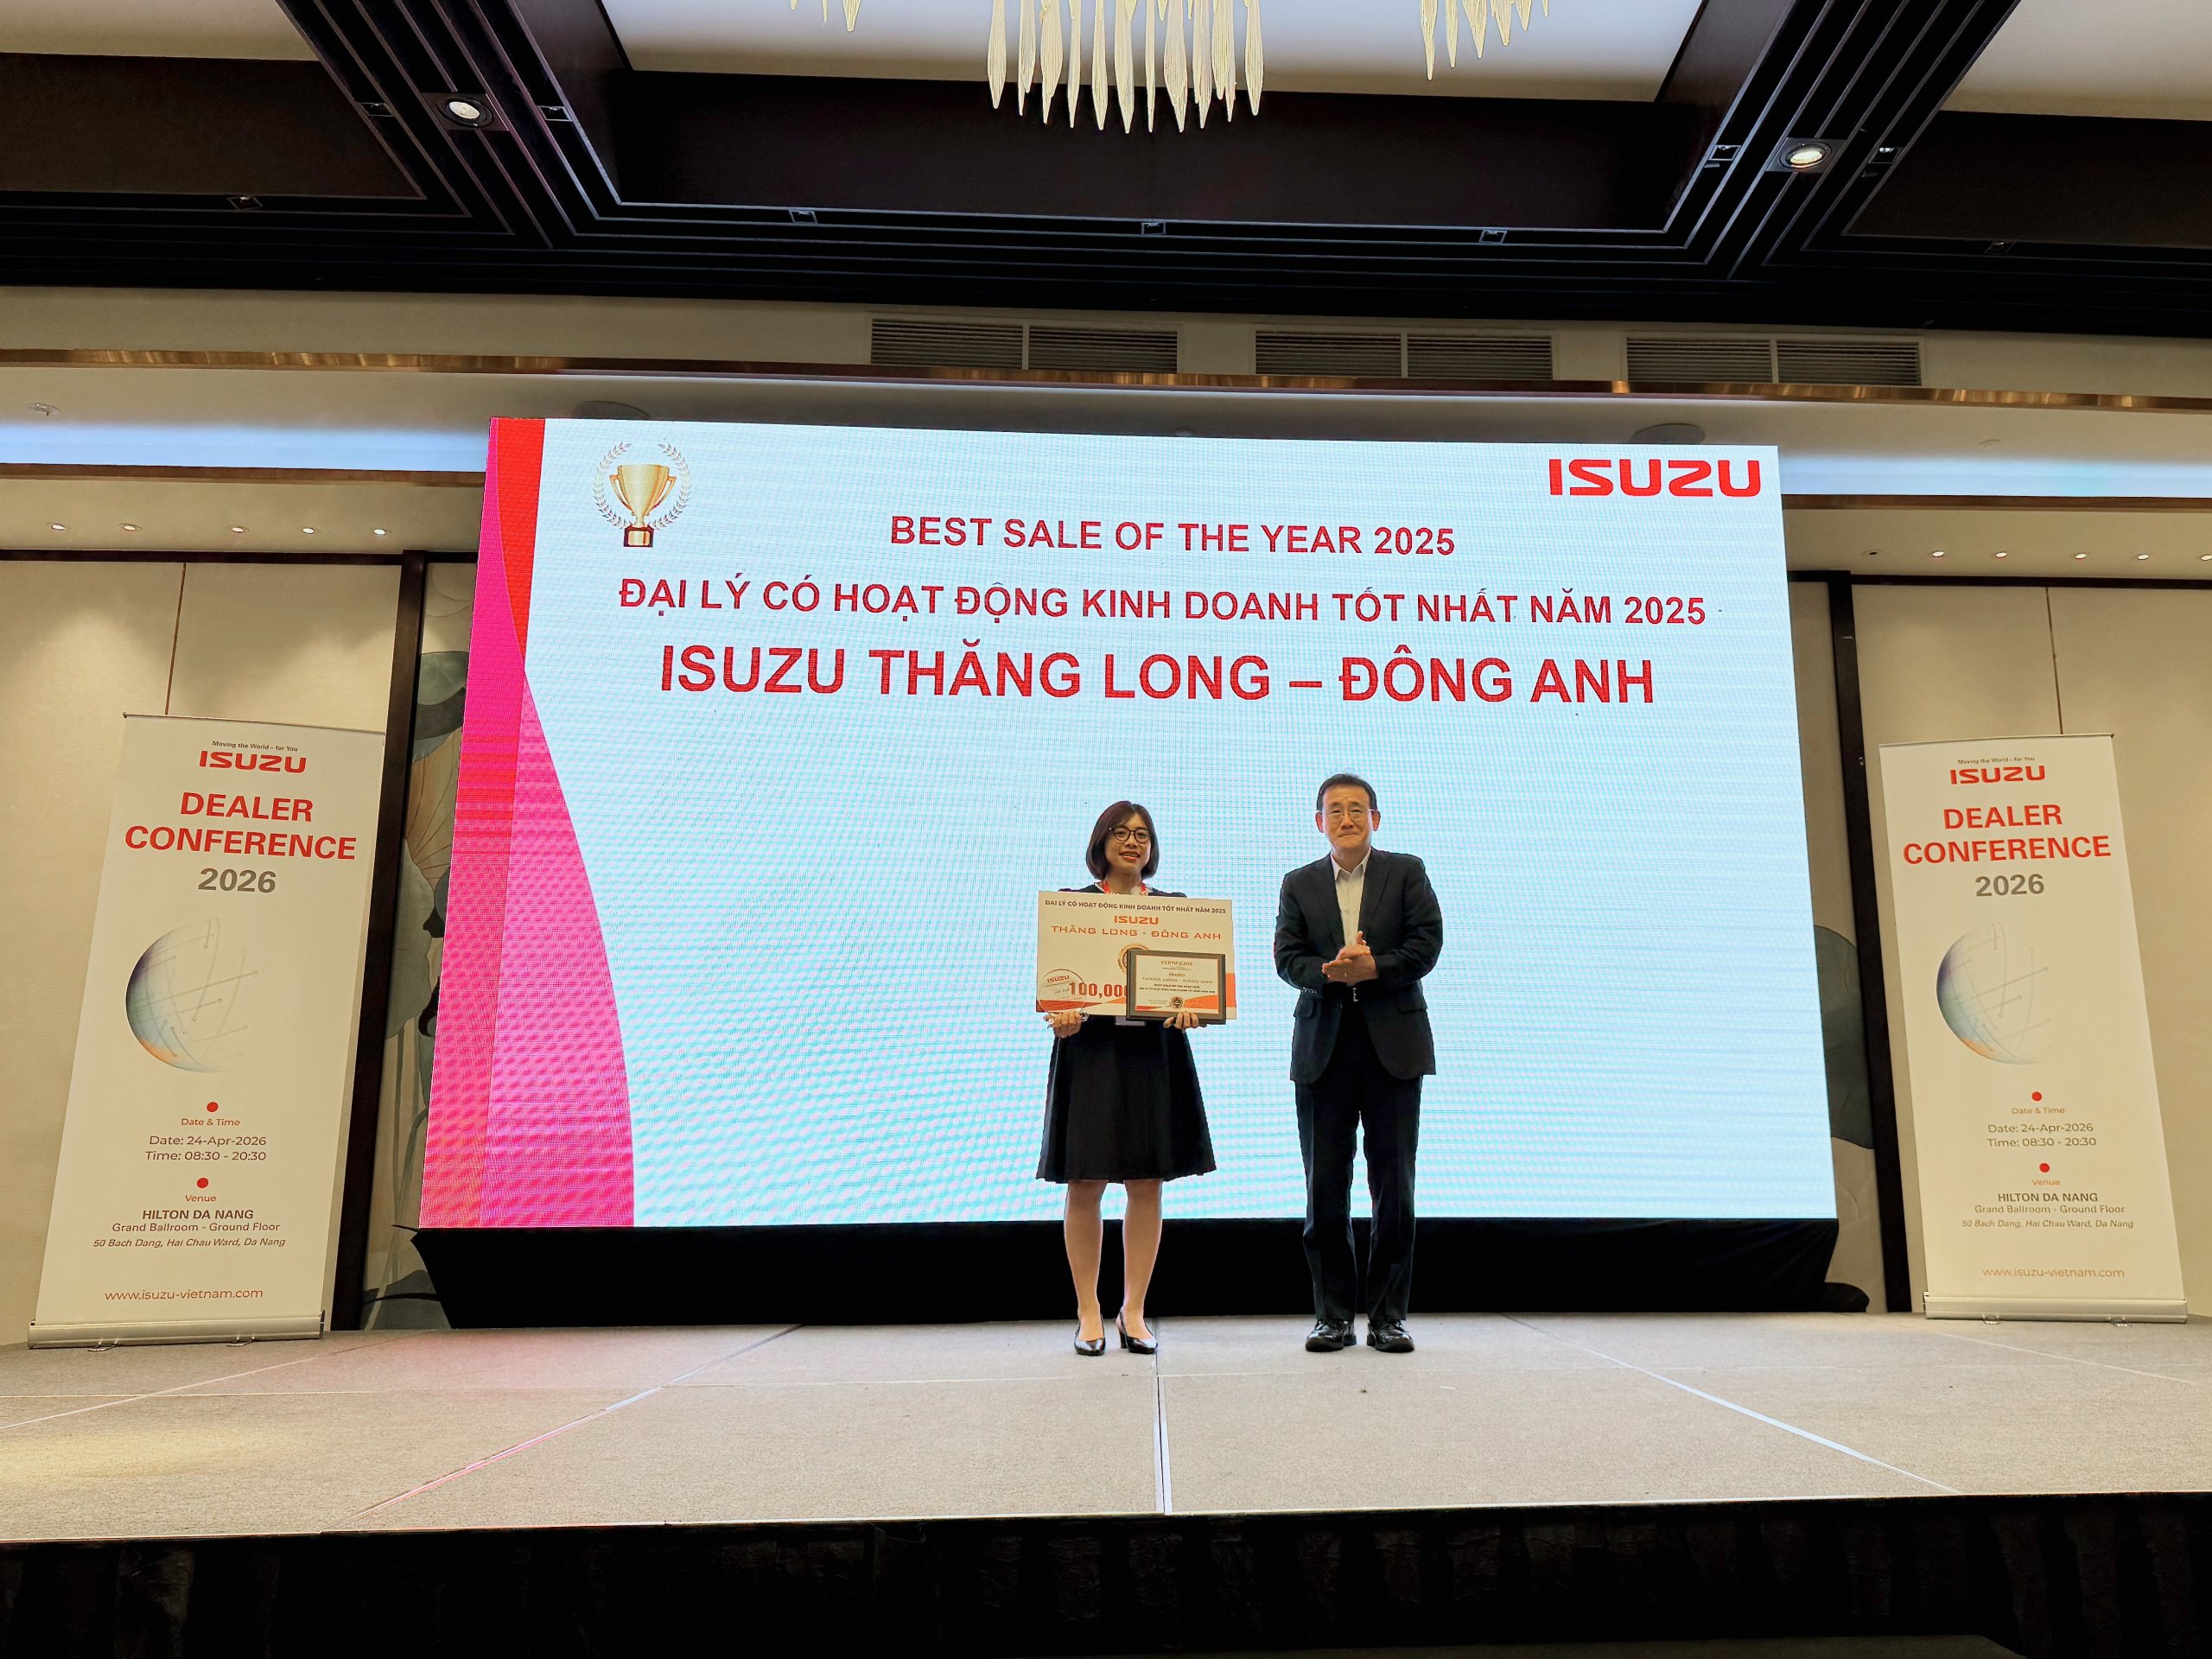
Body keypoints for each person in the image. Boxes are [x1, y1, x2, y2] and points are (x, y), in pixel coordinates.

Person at [1038, 802, 1217, 1357]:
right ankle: (1088, 1312)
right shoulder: (1072, 908)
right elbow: (1057, 991)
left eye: (1142, 834)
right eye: (1121, 833)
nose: (1132, 842)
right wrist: (1061, 1014)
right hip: (1091, 1055)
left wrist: (1194, 1008)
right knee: (1084, 1183)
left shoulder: (1174, 911)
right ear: (1101, 841)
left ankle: (1133, 1311)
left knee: (1147, 1184)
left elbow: (1196, 990)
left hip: (1153, 1055)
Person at [1273, 773, 1442, 1354]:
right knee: (1325, 1186)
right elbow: (1287, 957)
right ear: (1319, 821)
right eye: (1335, 810)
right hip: (1324, 1047)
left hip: (1393, 1045)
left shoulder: (1407, 871)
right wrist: (1328, 972)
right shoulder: (1298, 883)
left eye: (1357, 809)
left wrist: (1376, 968)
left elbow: (1426, 943)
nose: (1346, 818)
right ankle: (1333, 1317)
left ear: (1376, 817)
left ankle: (1389, 1317)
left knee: (1394, 1185)